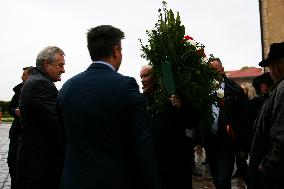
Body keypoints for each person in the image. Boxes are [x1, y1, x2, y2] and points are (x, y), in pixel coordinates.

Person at [57, 25, 160, 189]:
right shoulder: (126, 86)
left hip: (73, 181)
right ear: (116, 50)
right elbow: (142, 145)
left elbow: (61, 138)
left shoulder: (67, 88)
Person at [140, 64, 200, 189]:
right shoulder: (142, 100)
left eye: (146, 75)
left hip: (177, 161)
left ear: (156, 76)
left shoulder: (173, 94)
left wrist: (181, 107)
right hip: (155, 161)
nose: (143, 79)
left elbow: (192, 123)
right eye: (141, 77)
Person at [17, 46, 65, 189]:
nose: (63, 70)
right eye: (60, 65)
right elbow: (56, 122)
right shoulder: (40, 84)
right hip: (39, 163)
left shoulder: (37, 81)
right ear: (46, 64)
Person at [200, 58, 249, 189]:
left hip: (227, 141)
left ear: (222, 70)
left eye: (214, 69)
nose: (212, 73)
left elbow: (244, 118)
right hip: (210, 142)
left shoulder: (235, 91)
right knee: (216, 179)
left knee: (223, 180)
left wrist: (242, 145)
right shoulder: (202, 91)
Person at [247, 42, 284, 189]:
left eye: (269, 68)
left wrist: (266, 168)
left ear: (275, 67)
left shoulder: (282, 90)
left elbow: (282, 141)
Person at [7, 66, 34, 189]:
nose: (21, 76)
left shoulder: (36, 90)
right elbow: (11, 107)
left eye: (24, 74)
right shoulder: (18, 91)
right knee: (12, 163)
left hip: (29, 135)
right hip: (16, 133)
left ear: (31, 76)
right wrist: (15, 112)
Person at [232, 82, 262, 182]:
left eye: (244, 90)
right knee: (240, 153)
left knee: (253, 154)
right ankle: (241, 171)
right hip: (243, 132)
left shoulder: (256, 101)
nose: (242, 92)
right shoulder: (239, 102)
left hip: (253, 132)